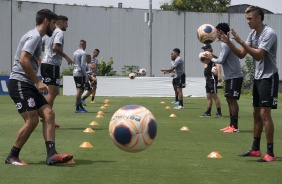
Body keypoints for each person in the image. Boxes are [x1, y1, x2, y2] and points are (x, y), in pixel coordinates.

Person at [6, 9, 73, 166]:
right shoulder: (35, 36)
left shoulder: (37, 37)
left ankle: (52, 155)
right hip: (20, 83)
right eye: (53, 23)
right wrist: (38, 81)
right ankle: (12, 156)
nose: (55, 27)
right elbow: (23, 60)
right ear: (46, 21)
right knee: (32, 120)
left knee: (48, 114)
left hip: (28, 84)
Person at [219, 6, 278, 162]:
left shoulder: (269, 33)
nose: (248, 22)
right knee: (256, 113)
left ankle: (270, 153)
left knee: (265, 114)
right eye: (247, 19)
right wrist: (229, 42)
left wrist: (240, 41)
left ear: (259, 18)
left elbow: (258, 55)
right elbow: (241, 54)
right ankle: (255, 149)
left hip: (269, 77)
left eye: (250, 18)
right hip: (258, 77)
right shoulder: (253, 34)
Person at [205, 23, 243, 133]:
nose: (215, 33)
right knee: (229, 99)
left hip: (235, 76)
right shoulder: (226, 43)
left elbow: (221, 61)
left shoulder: (226, 44)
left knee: (232, 100)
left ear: (221, 32)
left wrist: (210, 59)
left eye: (217, 31)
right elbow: (223, 58)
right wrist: (213, 57)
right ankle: (231, 125)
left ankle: (235, 127)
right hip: (230, 76)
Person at [41, 15, 73, 128]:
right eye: (66, 23)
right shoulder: (59, 32)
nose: (67, 26)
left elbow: (42, 47)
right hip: (52, 65)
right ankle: (46, 117)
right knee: (52, 93)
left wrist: (47, 54)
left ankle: (46, 117)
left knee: (50, 92)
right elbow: (55, 47)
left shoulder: (49, 32)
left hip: (45, 63)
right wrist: (67, 57)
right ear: (60, 22)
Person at [199, 44, 223, 118]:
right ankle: (208, 112)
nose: (204, 50)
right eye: (204, 49)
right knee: (208, 96)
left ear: (210, 49)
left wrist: (219, 75)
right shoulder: (206, 57)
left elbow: (218, 65)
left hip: (212, 79)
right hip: (208, 79)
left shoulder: (213, 57)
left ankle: (219, 113)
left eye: (206, 49)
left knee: (214, 96)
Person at [73, 40, 88, 113]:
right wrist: (86, 75)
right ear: (84, 45)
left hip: (75, 72)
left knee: (80, 90)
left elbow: (74, 62)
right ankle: (77, 108)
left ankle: (80, 107)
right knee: (79, 91)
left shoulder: (75, 52)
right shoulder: (83, 53)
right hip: (80, 73)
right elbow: (82, 65)